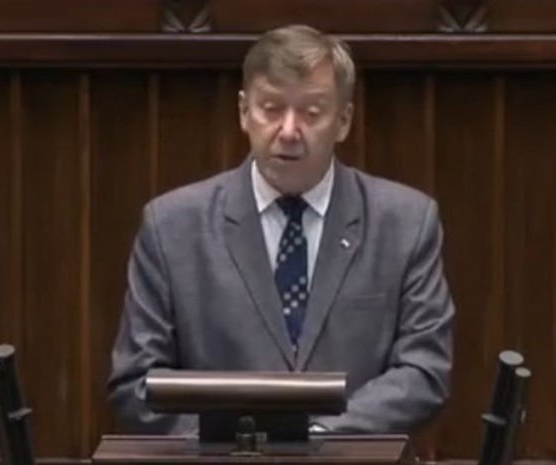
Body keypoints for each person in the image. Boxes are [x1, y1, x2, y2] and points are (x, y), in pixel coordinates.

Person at [107, 24, 454, 434]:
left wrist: (317, 439)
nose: (289, 131)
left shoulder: (405, 224)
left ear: (343, 121)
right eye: (271, 109)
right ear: (244, 112)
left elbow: (424, 371)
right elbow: (136, 382)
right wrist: (236, 442)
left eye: (311, 113)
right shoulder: (171, 227)